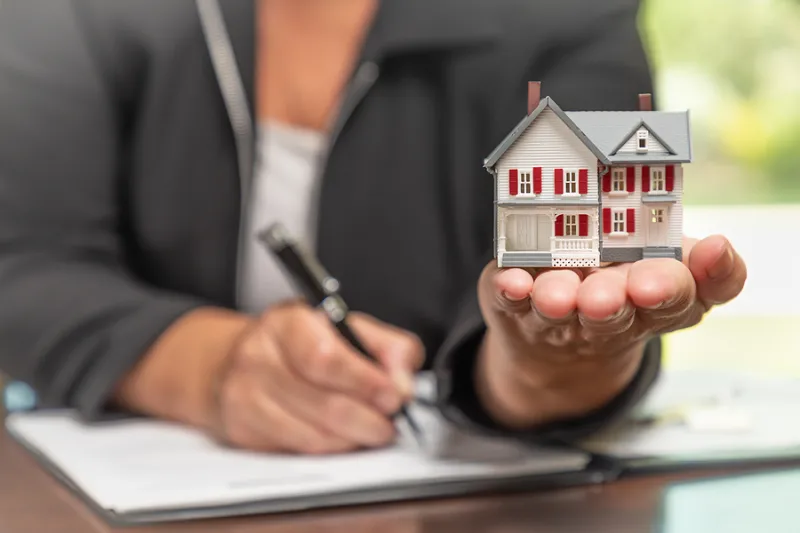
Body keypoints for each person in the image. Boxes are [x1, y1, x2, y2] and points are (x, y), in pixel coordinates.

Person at [0, 0, 746, 454]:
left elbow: (584, 276)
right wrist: (211, 366)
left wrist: (547, 363)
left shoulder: (567, 14)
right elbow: (24, 266)